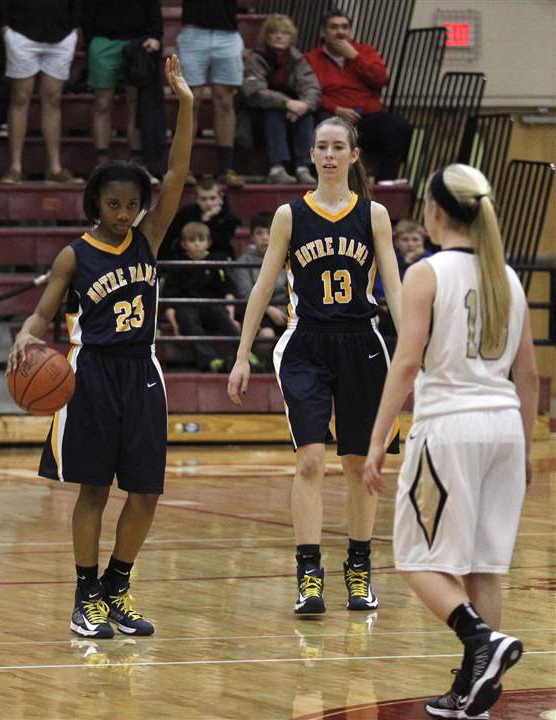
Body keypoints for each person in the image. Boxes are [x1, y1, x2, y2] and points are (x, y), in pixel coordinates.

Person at [7, 55, 193, 639]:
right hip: (90, 375)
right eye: (113, 204)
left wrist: (186, 103)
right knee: (93, 490)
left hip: (142, 372)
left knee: (147, 492)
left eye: (131, 204)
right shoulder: (75, 255)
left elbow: (178, 171)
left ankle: (117, 587)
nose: (123, 214)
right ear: (96, 204)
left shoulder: (149, 237)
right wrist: (26, 334)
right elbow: (41, 315)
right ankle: (85, 595)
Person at [362, 164, 536, 719]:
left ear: (435, 211)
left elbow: (406, 363)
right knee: (483, 566)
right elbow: (528, 376)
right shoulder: (507, 277)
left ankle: (482, 640)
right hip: (504, 428)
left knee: (415, 558)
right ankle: (473, 690)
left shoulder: (428, 272)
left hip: (449, 427)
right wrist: (527, 446)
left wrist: (377, 437)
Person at [227, 116, 403, 615]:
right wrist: (241, 355)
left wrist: (415, 350)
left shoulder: (374, 215)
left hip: (361, 343)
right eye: (321, 147)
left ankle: (359, 568)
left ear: (353, 155)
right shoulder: (290, 215)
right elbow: (263, 286)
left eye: (338, 147)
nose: (329, 154)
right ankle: (308, 575)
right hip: (305, 344)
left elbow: (394, 287)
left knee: (358, 464)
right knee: (309, 461)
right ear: (311, 155)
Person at [305, 8, 411, 182]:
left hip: (367, 115)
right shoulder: (312, 58)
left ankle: (385, 182)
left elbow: (381, 79)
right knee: (323, 125)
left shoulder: (365, 52)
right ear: (323, 32)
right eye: (334, 27)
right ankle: (326, 183)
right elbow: (308, 93)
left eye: (345, 27)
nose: (340, 32)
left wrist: (355, 57)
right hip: (333, 115)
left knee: (398, 126)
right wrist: (335, 109)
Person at [0, 0, 78, 183]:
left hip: (61, 33)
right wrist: (5, 28)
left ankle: (55, 168)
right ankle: (15, 168)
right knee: (20, 98)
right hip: (20, 33)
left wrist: (74, 28)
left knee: (53, 99)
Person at [81, 0, 162, 177]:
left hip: (136, 42)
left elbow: (153, 6)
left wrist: (156, 35)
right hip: (103, 40)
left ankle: (136, 161)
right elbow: (86, 10)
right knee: (102, 103)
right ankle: (101, 161)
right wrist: (91, 40)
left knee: (135, 104)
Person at [241, 14, 319, 185]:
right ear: (266, 36)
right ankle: (277, 168)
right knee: (274, 112)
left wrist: (304, 106)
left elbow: (312, 87)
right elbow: (255, 92)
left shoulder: (297, 59)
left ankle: (303, 168)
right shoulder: (255, 58)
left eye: (284, 33)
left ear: (291, 37)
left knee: (306, 115)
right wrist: (287, 103)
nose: (279, 36)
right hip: (257, 118)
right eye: (274, 32)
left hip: (291, 114)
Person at [178, 0, 244, 188]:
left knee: (225, 101)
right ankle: (182, 168)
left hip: (227, 33)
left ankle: (226, 168)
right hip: (193, 33)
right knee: (191, 100)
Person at [162, 221, 239, 371]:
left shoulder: (217, 261)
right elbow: (169, 300)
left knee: (219, 312)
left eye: (201, 240)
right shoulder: (176, 264)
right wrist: (175, 326)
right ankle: (211, 361)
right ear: (184, 244)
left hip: (212, 307)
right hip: (186, 309)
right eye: (192, 240)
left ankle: (246, 355)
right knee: (188, 318)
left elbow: (228, 291)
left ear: (209, 243)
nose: (197, 244)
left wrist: (231, 317)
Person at [231, 211, 287, 365]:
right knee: (267, 335)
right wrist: (269, 309)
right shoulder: (243, 262)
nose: (265, 237)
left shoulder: (288, 258)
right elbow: (245, 294)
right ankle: (261, 367)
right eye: (259, 233)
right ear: (251, 237)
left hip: (285, 310)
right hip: (257, 311)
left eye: (269, 232)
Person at [162, 176, 240, 259]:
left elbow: (221, 243)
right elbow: (171, 238)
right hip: (186, 257)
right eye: (203, 199)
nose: (208, 203)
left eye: (212, 198)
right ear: (196, 199)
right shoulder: (185, 213)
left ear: (220, 198)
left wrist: (207, 221)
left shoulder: (228, 217)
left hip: (217, 256)